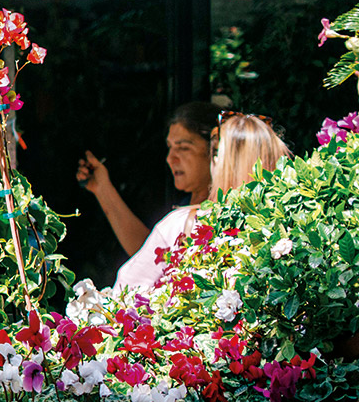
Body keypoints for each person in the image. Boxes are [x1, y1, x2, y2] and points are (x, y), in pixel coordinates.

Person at [113, 113, 289, 293]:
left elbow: (125, 295)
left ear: (218, 160)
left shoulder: (182, 225)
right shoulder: (293, 233)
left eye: (183, 148)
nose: (169, 158)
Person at [78, 100, 217, 262]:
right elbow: (150, 256)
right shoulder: (185, 207)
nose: (170, 158)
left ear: (215, 152)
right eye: (170, 147)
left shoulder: (226, 215)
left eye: (183, 148)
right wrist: (102, 188)